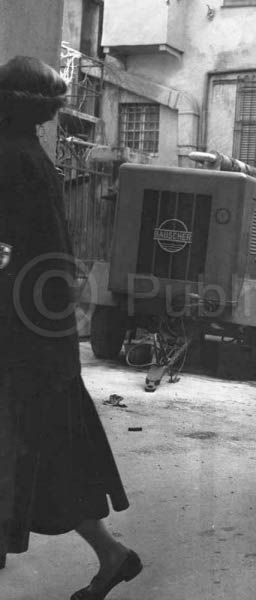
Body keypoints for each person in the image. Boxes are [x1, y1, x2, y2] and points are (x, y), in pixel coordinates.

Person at [0, 56, 141, 599]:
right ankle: (111, 555)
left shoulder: (13, 159)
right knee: (50, 454)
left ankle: (112, 554)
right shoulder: (32, 158)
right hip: (40, 333)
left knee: (43, 455)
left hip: (23, 339)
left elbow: (8, 253)